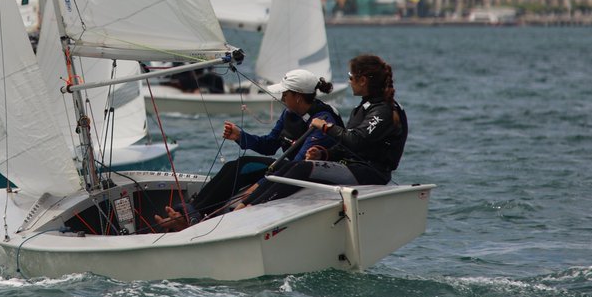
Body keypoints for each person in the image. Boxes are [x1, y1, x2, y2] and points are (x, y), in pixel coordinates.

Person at [152, 68, 340, 231]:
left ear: (298, 97)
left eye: (285, 94)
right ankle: (190, 213)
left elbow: (297, 165)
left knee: (268, 175)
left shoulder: (323, 118)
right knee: (240, 165)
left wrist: (256, 187)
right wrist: (241, 136)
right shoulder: (289, 113)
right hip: (287, 168)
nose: (281, 97)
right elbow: (269, 144)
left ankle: (204, 219)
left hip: (308, 175)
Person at [234, 53, 408, 208]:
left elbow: (356, 141)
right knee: (294, 165)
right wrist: (323, 154)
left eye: (350, 76)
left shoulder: (382, 111)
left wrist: (326, 127)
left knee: (300, 168)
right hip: (352, 168)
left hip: (371, 174)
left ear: (362, 80)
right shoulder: (365, 107)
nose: (349, 81)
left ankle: (250, 207)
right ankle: (246, 204)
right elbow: (346, 146)